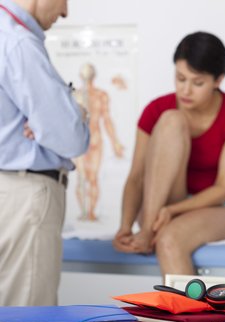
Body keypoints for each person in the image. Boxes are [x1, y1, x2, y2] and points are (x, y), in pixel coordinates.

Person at [113, 32, 225, 275]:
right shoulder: (157, 109)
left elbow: (224, 188)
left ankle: (191, 314)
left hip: (219, 208)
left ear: (218, 80)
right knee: (171, 119)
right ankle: (148, 229)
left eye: (197, 82)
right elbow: (137, 177)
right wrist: (125, 227)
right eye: (180, 78)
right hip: (159, 206)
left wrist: (172, 212)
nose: (186, 90)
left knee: (169, 240)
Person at [0, 0, 90, 306]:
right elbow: (71, 137)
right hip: (24, 198)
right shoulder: (18, 42)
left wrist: (49, 120)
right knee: (26, 317)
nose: (65, 12)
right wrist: (76, 111)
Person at [73, 63, 124, 221]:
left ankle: (90, 212)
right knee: (83, 177)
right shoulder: (76, 95)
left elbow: (107, 120)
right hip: (83, 140)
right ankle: (85, 212)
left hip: (92, 139)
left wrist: (115, 142)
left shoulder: (100, 95)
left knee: (90, 177)